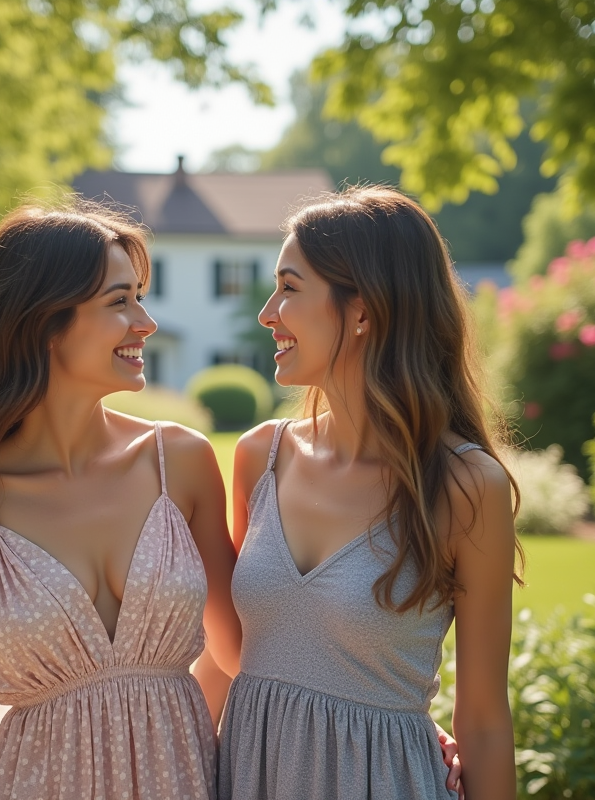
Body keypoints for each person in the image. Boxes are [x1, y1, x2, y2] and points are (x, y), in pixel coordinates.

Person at [0, 202, 242, 800]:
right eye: (119, 302)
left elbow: (246, 649)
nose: (146, 322)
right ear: (45, 323)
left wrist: (399, 720)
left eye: (140, 296)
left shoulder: (179, 462)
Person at [218, 186, 521, 800]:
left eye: (290, 288)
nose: (268, 311)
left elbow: (485, 720)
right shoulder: (259, 458)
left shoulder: (466, 488)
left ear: (363, 312)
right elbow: (229, 653)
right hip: (249, 778)